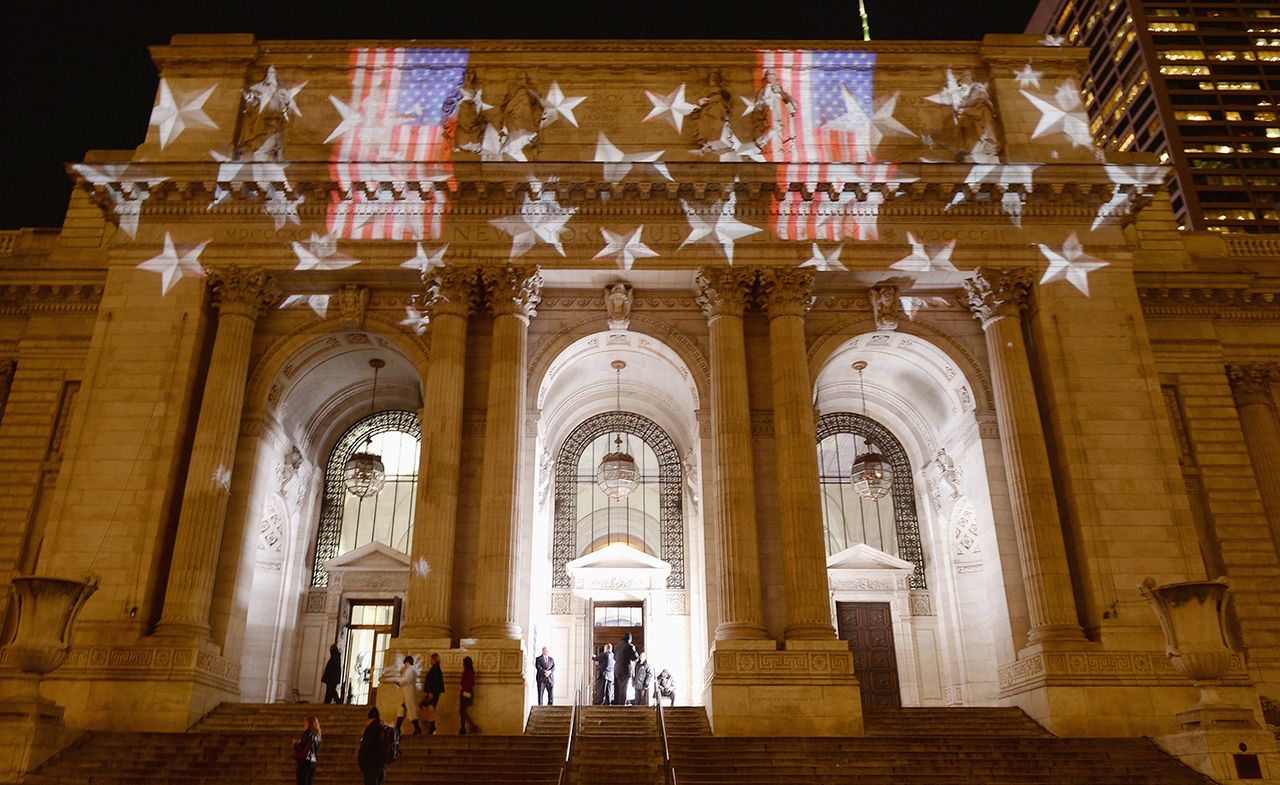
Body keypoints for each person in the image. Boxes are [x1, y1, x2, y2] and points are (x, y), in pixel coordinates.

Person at [357, 707, 388, 785]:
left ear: (370, 718)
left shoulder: (371, 729)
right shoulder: (383, 728)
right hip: (381, 766)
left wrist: (361, 762)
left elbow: (365, 747)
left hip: (371, 766)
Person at [396, 655, 423, 735]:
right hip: (406, 694)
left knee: (410, 711)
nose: (404, 666)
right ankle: (397, 728)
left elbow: (404, 681)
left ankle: (417, 728)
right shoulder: (411, 670)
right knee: (402, 710)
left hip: (408, 693)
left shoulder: (410, 670)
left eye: (405, 664)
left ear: (407, 662)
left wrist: (398, 682)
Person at [292, 715, 321, 785]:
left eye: (305, 724)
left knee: (302, 782)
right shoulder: (317, 736)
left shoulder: (308, 733)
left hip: (305, 762)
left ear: (309, 724)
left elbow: (300, 747)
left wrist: (295, 744)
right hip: (313, 762)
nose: (304, 725)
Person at [421, 652, 444, 735]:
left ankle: (432, 727)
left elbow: (434, 682)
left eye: (432, 659)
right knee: (429, 708)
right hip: (432, 692)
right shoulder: (435, 669)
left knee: (430, 708)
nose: (430, 660)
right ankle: (431, 726)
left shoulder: (436, 669)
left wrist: (430, 692)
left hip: (433, 693)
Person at [613, 632, 638, 706]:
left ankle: (618, 702)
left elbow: (615, 658)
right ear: (629, 639)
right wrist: (635, 651)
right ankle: (622, 704)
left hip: (617, 669)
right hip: (626, 670)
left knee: (619, 687)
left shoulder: (617, 646)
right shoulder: (629, 646)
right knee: (624, 687)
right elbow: (635, 658)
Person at [459, 655, 480, 735]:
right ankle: (464, 727)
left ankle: (468, 727)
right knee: (462, 711)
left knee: (462, 711)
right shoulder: (470, 671)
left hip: (465, 693)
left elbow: (468, 683)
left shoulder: (468, 671)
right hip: (467, 692)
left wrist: (464, 690)